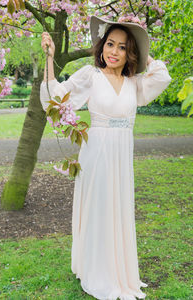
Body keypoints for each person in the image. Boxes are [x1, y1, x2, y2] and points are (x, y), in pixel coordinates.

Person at [40, 15, 172, 300]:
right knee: (99, 209)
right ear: (101, 47)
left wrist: (142, 43)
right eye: (109, 44)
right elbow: (56, 98)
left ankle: (118, 271)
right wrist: (50, 59)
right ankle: (96, 270)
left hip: (121, 155)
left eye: (123, 47)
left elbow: (161, 77)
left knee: (118, 207)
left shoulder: (134, 83)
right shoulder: (90, 76)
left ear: (131, 53)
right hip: (96, 154)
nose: (114, 52)